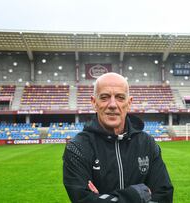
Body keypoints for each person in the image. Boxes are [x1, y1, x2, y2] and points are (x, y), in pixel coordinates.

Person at [63, 72, 173, 203]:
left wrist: (102, 199)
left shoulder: (147, 143)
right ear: (94, 102)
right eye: (104, 97)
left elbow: (164, 195)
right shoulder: (77, 148)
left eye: (120, 97)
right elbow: (83, 200)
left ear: (129, 102)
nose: (113, 104)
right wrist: (136, 195)